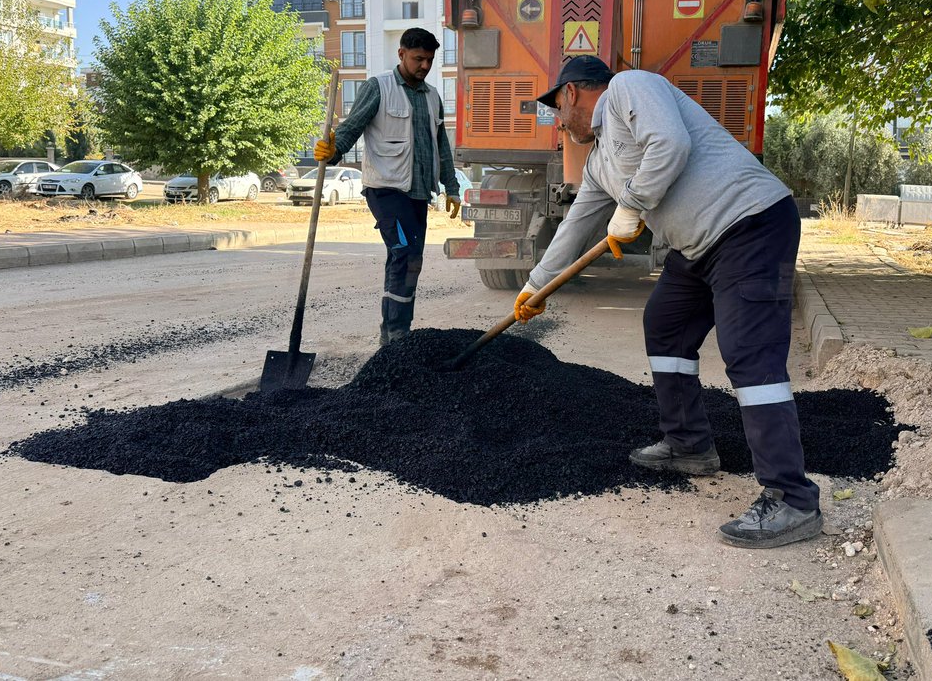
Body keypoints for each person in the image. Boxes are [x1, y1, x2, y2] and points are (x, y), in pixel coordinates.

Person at [512, 55, 821, 548]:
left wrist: (631, 206)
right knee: (666, 325)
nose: (557, 123)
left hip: (750, 224)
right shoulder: (598, 164)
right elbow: (577, 227)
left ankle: (792, 498)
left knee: (749, 353)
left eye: (555, 110)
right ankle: (689, 445)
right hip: (697, 245)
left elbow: (669, 144)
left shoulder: (630, 88)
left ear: (570, 93)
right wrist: (535, 286)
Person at [314, 28, 462, 346]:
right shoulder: (378, 88)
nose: (424, 65)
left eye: (429, 60)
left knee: (411, 260)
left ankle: (395, 330)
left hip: (419, 193)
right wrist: (334, 150)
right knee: (404, 254)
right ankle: (396, 333)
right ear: (401, 54)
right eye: (418, 58)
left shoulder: (433, 97)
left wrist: (452, 186)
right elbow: (352, 127)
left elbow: (441, 145)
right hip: (385, 189)